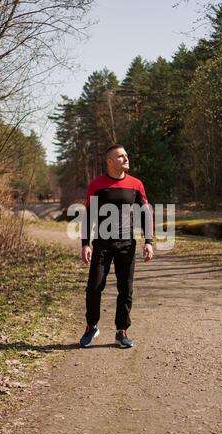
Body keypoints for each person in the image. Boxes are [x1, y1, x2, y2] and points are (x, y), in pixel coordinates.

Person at [80, 144, 153, 348]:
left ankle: (122, 331)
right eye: (120, 157)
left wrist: (149, 241)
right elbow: (88, 215)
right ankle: (91, 326)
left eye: (126, 155)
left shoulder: (136, 184)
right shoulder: (97, 185)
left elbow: (145, 213)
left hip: (126, 245)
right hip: (102, 244)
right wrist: (85, 243)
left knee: (125, 289)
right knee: (94, 287)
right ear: (110, 162)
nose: (126, 159)